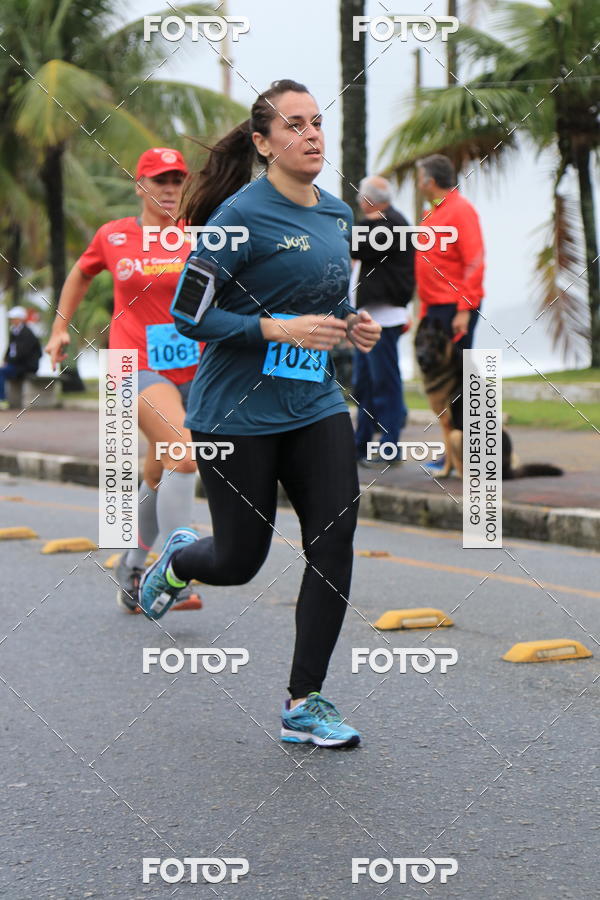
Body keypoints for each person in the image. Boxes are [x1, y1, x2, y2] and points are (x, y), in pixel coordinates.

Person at [139, 79, 381, 748]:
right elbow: (188, 314)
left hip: (315, 403)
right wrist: (275, 330)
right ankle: (182, 558)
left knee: (331, 540)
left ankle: (305, 701)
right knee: (241, 559)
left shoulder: (336, 214)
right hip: (235, 415)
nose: (312, 135)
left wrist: (349, 326)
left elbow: (322, 303)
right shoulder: (238, 218)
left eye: (317, 122)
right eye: (295, 125)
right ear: (263, 143)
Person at [45, 148, 203, 613]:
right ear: (140, 186)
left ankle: (133, 568)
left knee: (159, 471)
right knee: (183, 456)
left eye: (177, 180)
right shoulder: (114, 236)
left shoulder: (199, 234)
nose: (170, 189)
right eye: (160, 181)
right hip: (133, 367)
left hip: (195, 371)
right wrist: (59, 328)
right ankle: (178, 570)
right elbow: (80, 273)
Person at [414, 154, 485, 476]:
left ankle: (473, 455)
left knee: (463, 382)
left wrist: (463, 310)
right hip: (435, 311)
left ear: (429, 181)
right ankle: (452, 455)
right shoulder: (435, 212)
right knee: (443, 387)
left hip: (455, 308)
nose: (418, 184)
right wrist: (426, 313)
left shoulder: (461, 210)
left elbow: (473, 261)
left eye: (420, 179)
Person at [350, 175, 415, 466]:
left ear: (367, 201)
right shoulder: (384, 222)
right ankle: (360, 444)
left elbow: (355, 246)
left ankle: (390, 448)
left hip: (384, 318)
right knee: (364, 383)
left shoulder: (391, 224)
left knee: (384, 383)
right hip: (369, 317)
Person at [0, 306, 43, 407]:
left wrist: (9, 362)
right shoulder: (14, 331)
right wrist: (6, 360)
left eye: (14, 318)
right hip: (16, 365)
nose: (12, 320)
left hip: (26, 366)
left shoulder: (27, 333)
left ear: (20, 319)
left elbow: (23, 354)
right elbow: (10, 349)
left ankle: (2, 400)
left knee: (1, 372)